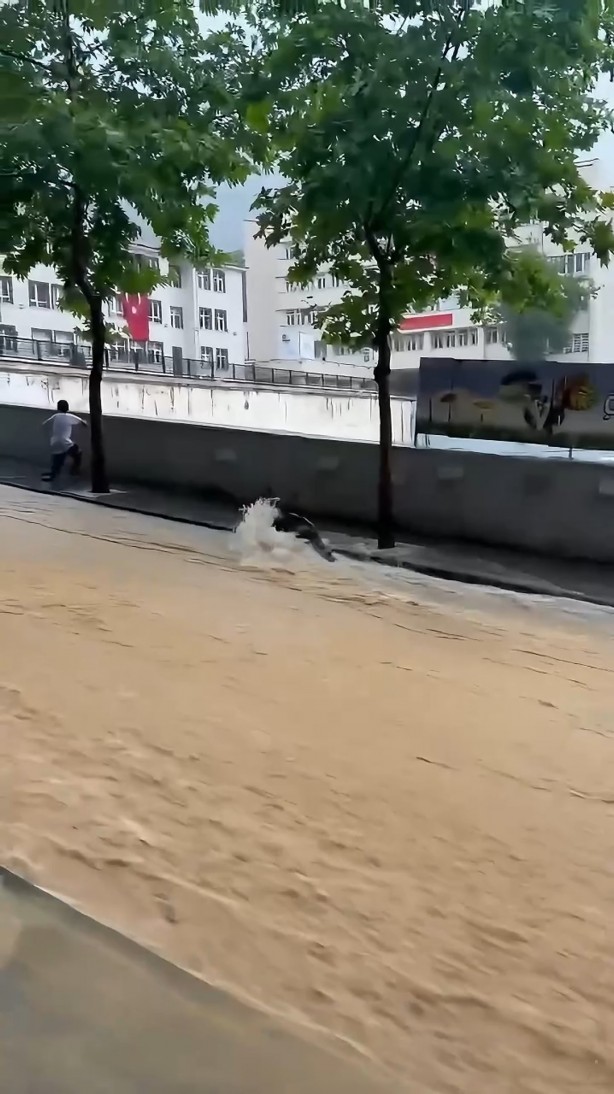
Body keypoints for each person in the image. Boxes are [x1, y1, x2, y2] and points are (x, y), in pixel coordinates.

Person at [42, 400, 86, 483]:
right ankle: (74, 471)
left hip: (54, 442)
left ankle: (54, 474)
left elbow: (44, 424)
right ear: (67, 408)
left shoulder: (55, 416)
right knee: (78, 453)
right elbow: (83, 423)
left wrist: (49, 435)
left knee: (58, 459)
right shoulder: (69, 416)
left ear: (58, 408)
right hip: (66, 442)